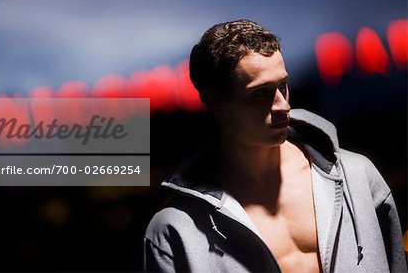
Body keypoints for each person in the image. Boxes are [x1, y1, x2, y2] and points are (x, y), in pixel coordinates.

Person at [143, 19, 407, 272]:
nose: (283, 105)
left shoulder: (358, 177)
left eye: (283, 86)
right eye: (260, 93)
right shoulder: (175, 228)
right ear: (215, 102)